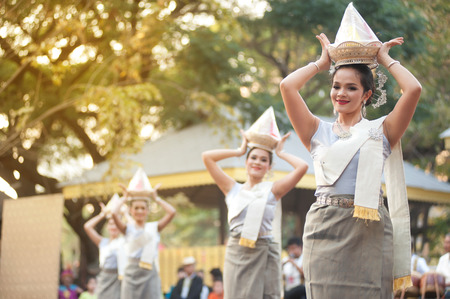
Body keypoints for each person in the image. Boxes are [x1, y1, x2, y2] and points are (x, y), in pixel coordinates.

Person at [279, 4, 421, 298]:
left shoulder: (383, 130)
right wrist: (321, 62)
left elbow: (414, 89)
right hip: (324, 227)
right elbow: (287, 86)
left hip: (368, 231)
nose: (341, 94)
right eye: (336, 86)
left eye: (351, 88)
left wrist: (384, 58)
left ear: (367, 94)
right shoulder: (315, 130)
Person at [202, 107, 308, 299]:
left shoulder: (273, 189)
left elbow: (302, 167)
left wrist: (281, 152)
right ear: (246, 161)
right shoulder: (232, 188)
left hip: (264, 251)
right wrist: (239, 150)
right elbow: (207, 157)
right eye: (253, 157)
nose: (257, 162)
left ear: (269, 166)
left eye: (263, 159)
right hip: (237, 251)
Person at [113, 167, 176, 299]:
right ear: (131, 210)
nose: (140, 211)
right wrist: (125, 198)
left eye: (143, 208)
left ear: (148, 210)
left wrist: (156, 198)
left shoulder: (154, 227)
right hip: (131, 272)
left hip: (149, 272)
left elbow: (172, 212)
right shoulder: (127, 228)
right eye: (136, 208)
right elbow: (114, 213)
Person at [83, 196, 123, 299]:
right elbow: (87, 227)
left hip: (120, 279)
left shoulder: (125, 241)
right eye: (111, 224)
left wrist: (125, 213)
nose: (113, 227)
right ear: (107, 226)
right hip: (105, 279)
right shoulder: (103, 242)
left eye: (116, 224)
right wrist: (102, 214)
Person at [436, 233, 450, 298]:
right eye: (445, 242)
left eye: (448, 242)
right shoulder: (442, 259)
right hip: (443, 290)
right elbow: (437, 275)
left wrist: (445, 284)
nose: (445, 245)